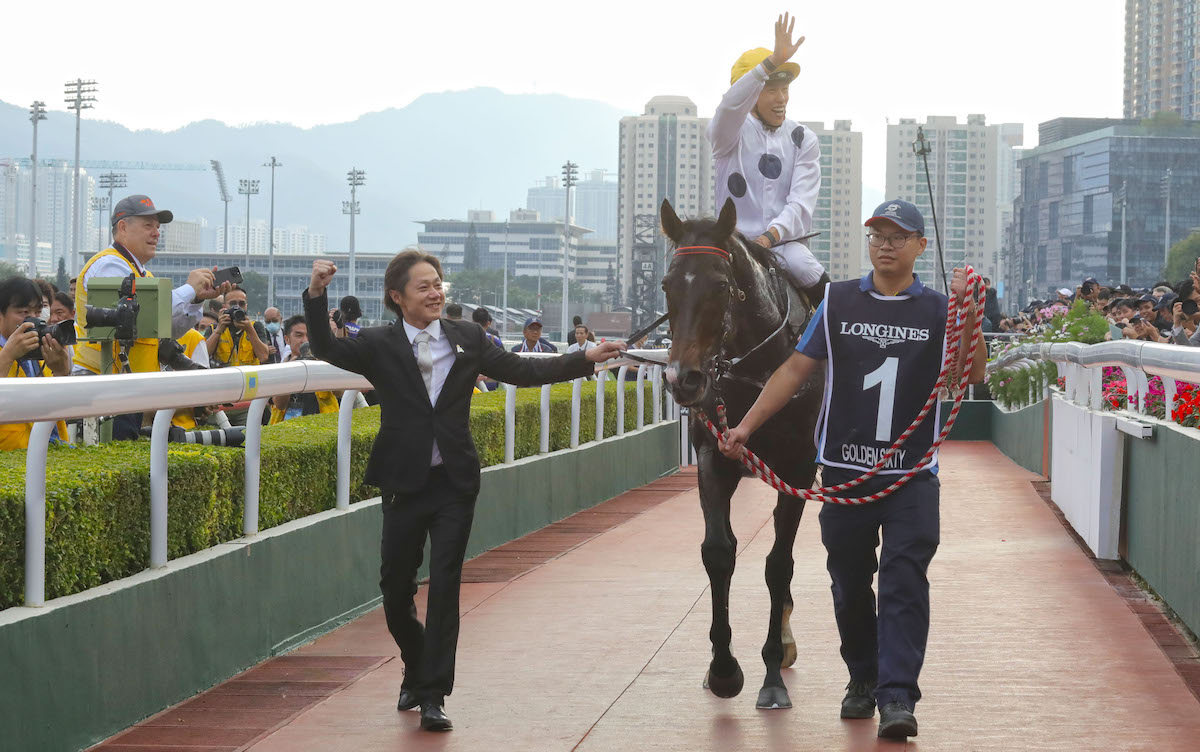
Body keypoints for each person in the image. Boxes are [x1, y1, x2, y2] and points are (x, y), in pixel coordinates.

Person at [303, 251, 624, 732]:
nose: (435, 293)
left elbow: (523, 371)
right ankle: (417, 663)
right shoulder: (378, 343)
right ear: (397, 297)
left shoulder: (468, 337)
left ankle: (433, 693)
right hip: (403, 483)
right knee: (395, 590)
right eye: (423, 287)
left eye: (438, 284)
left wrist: (585, 359)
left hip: (454, 482)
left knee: (447, 584)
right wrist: (315, 294)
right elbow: (326, 345)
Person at [719, 199, 986, 740]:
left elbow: (970, 373)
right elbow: (796, 367)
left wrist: (968, 314)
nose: (885, 244)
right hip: (844, 473)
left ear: (920, 246)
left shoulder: (939, 310)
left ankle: (896, 698)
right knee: (848, 584)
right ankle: (861, 677)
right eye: (877, 235)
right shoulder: (838, 301)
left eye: (897, 235)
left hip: (911, 474)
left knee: (904, 581)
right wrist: (745, 427)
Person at [73, 195, 228, 439]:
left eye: (157, 227)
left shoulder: (139, 272)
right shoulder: (109, 265)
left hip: (127, 392)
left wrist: (197, 298)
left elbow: (163, 329)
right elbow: (138, 314)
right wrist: (189, 288)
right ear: (122, 227)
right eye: (148, 226)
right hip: (104, 391)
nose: (156, 233)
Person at [708, 12, 829, 303]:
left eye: (784, 89)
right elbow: (729, 106)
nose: (781, 99)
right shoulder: (727, 135)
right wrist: (770, 63)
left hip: (783, 247)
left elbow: (800, 205)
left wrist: (768, 238)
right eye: (771, 90)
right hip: (731, 246)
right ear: (750, 96)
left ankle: (837, 341)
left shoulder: (803, 139)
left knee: (809, 269)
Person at [0, 276, 70, 449]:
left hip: (49, 448)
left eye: (38, 313)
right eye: (23, 313)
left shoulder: (40, 351)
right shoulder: (8, 352)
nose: (33, 320)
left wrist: (61, 372)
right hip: (10, 456)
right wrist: (8, 355)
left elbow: (59, 406)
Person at [268, 315, 340, 422]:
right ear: (287, 339)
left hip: (324, 426)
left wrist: (323, 365)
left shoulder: (324, 362)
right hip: (288, 429)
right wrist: (289, 372)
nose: (305, 340)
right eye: (299, 335)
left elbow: (339, 393)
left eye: (308, 336)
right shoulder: (280, 367)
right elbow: (280, 404)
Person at [205, 285, 269, 368]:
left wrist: (249, 330)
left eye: (241, 304)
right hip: (224, 379)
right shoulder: (214, 328)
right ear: (224, 307)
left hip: (248, 378)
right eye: (233, 304)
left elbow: (263, 357)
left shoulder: (255, 326)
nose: (237, 307)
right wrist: (219, 330)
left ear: (246, 306)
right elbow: (204, 355)